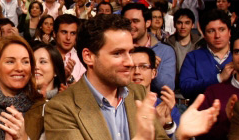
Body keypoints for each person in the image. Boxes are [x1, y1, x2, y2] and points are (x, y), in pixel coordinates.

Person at [44, 14, 220, 140]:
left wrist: (180, 136)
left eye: (130, 52)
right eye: (118, 53)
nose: (130, 62)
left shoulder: (140, 94)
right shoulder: (61, 109)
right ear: (89, 56)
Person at [180, 9, 233, 100]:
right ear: (204, 34)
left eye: (222, 29)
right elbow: (186, 88)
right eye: (211, 31)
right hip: (202, 112)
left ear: (229, 32)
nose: (217, 36)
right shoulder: (193, 57)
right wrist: (218, 78)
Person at [123, 3, 177, 92]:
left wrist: (152, 68)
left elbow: (168, 87)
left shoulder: (165, 51)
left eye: (135, 21)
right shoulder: (117, 51)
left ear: (148, 23)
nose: (131, 26)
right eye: (127, 22)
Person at [131, 46, 181, 137]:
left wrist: (167, 123)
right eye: (131, 67)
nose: (137, 72)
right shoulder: (117, 106)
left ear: (154, 73)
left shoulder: (166, 107)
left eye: (143, 66)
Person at [54, 14, 86, 85]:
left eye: (73, 33)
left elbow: (84, 92)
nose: (68, 38)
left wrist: (69, 78)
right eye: (64, 32)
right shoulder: (45, 56)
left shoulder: (83, 60)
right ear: (54, 34)